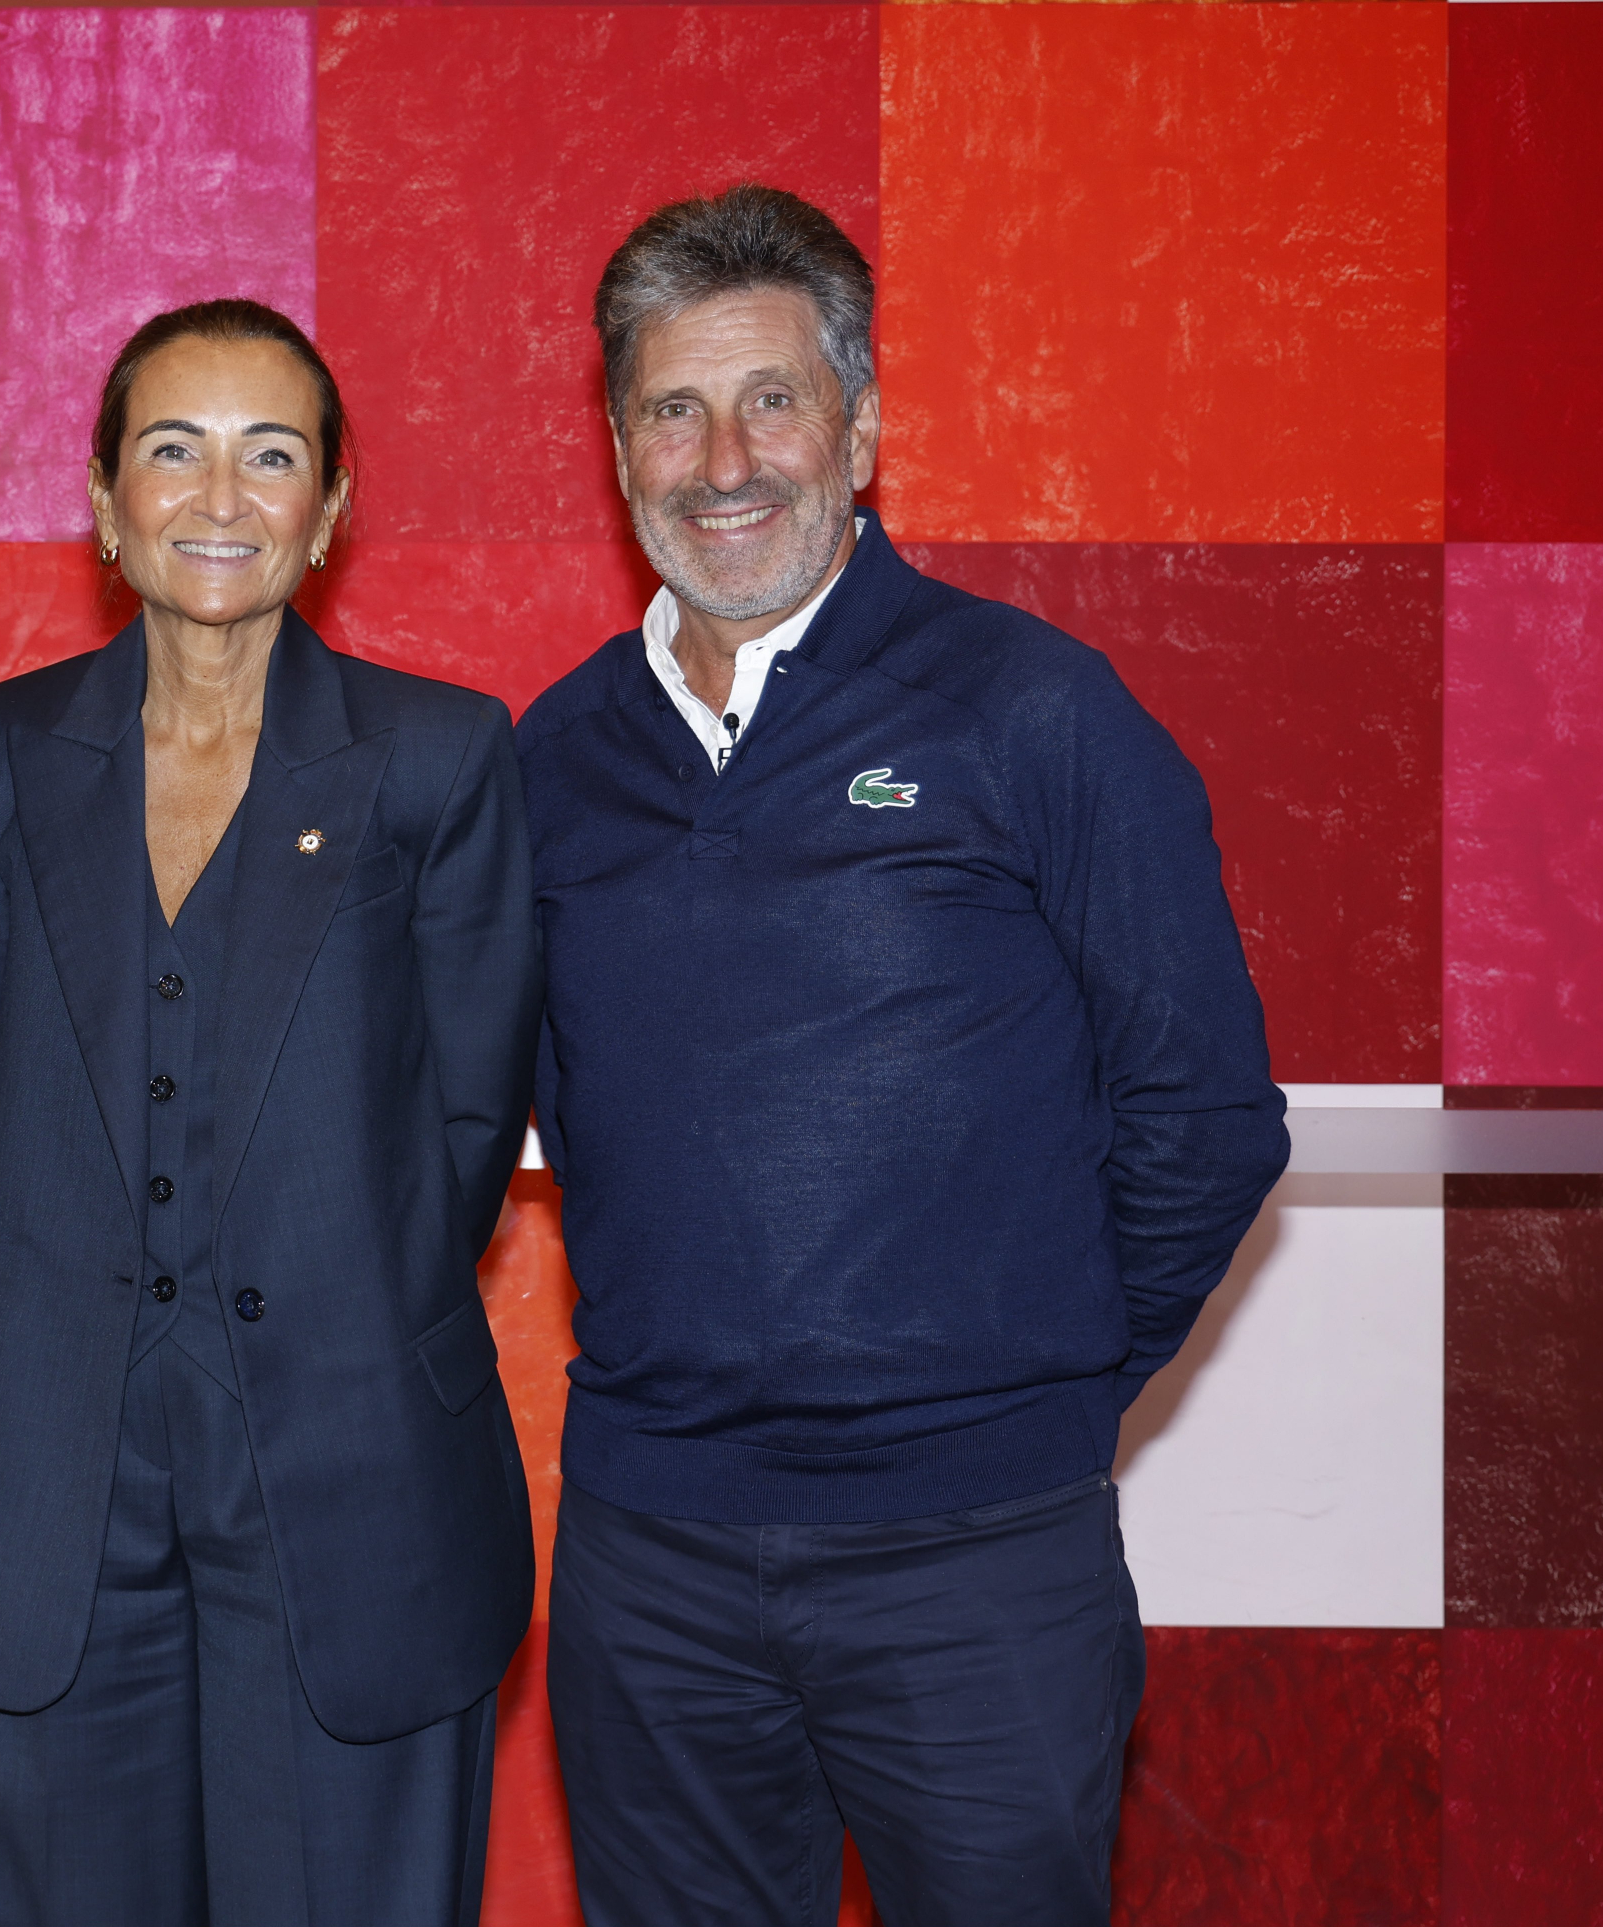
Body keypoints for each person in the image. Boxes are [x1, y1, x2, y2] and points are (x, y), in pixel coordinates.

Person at [517, 185, 1291, 1925]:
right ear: (619, 444)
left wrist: (1032, 1386)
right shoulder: (556, 756)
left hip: (977, 1564)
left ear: (861, 427)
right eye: (671, 407)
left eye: (773, 399)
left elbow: (1208, 1117)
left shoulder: (1033, 708)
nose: (725, 458)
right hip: (653, 1564)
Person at [0, 299, 543, 1927]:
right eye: (171, 451)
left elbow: (465, 1129)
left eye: (272, 457)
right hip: (59, 1481)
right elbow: (6, 1077)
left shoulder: (438, 759)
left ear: (328, 510)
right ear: (103, 501)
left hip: (353, 1475)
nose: (219, 497)